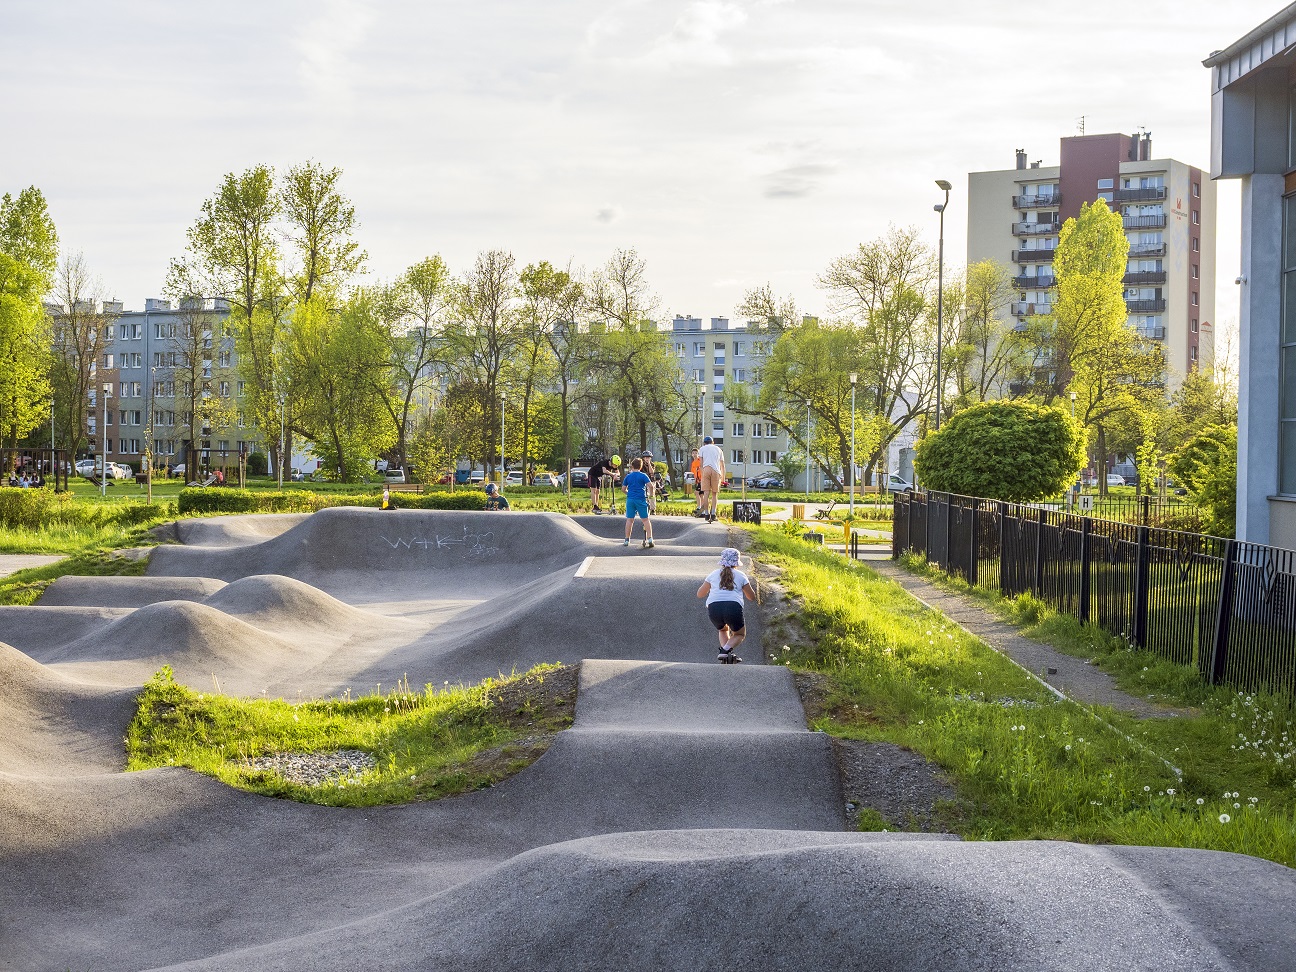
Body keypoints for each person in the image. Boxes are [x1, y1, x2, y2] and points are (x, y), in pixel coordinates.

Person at [696, 548, 756, 663]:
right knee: (739, 634)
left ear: (722, 561)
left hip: (713, 608)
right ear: (737, 563)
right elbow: (751, 597)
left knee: (723, 630)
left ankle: (726, 654)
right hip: (733, 607)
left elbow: (700, 594)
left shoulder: (713, 574)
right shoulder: (741, 575)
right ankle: (724, 651)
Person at [620, 457, 655, 549]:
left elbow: (623, 489)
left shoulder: (628, 476)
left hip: (630, 500)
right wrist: (651, 496)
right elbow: (651, 486)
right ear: (641, 467)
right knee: (645, 520)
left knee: (629, 520)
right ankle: (650, 539)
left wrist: (629, 493)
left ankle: (627, 540)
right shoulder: (643, 476)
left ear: (632, 466)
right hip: (641, 499)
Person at [698, 436, 725, 523]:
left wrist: (702, 475)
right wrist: (723, 478)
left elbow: (701, 464)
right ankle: (713, 514)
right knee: (714, 493)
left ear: (704, 443)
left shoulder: (702, 449)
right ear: (713, 442)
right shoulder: (718, 449)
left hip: (706, 469)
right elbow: (722, 465)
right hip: (716, 470)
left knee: (706, 492)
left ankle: (706, 514)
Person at [688, 448, 703, 515]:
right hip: (698, 481)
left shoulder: (700, 461)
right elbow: (693, 472)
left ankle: (699, 507)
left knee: (696, 492)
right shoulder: (693, 463)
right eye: (693, 453)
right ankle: (702, 507)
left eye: (696, 453)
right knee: (701, 494)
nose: (694, 454)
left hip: (702, 479)